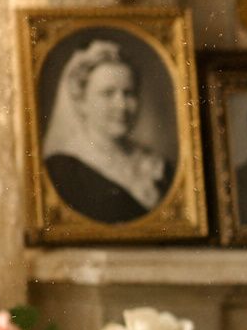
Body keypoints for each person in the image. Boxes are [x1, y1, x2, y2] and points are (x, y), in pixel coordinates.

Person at [42, 39, 174, 224]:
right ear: (81, 101)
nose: (121, 105)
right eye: (108, 93)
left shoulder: (157, 167)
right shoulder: (63, 169)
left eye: (129, 93)